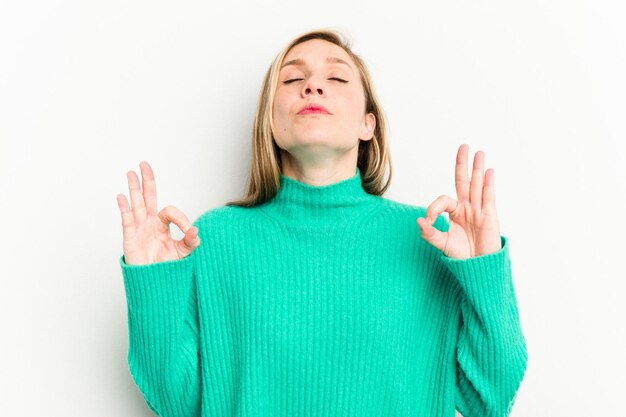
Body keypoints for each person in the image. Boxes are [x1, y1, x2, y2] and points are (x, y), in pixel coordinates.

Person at [117, 28, 528, 417]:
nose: (312, 87)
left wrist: (483, 269)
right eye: (293, 78)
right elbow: (176, 402)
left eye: (336, 77)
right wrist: (154, 283)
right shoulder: (214, 239)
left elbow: (488, 399)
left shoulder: (429, 239)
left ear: (368, 123)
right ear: (271, 123)